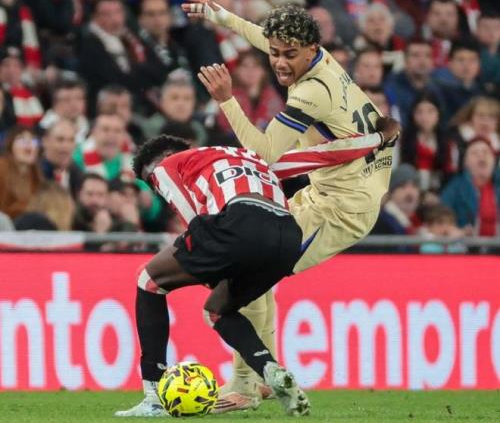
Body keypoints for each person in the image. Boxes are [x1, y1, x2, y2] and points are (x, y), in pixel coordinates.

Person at [181, 0, 398, 412]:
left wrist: (227, 99)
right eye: (275, 52)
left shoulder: (313, 92)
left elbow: (264, 154)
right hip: (332, 192)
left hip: (340, 209)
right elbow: (263, 37)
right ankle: (260, 380)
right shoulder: (321, 60)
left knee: (248, 270)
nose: (279, 62)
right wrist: (221, 17)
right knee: (252, 271)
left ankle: (246, 386)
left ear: (311, 49)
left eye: (289, 54)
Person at [115, 126, 397, 418]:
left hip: (238, 222)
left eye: (151, 180)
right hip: (288, 236)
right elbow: (321, 156)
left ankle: (154, 397)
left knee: (149, 280)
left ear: (164, 158)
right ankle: (269, 370)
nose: (157, 189)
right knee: (218, 311)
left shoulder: (169, 166)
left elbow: (195, 219)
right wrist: (378, 139)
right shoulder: (253, 156)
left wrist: (211, 264)